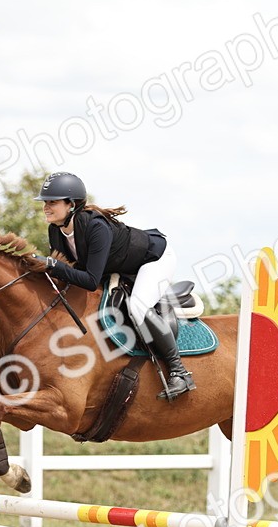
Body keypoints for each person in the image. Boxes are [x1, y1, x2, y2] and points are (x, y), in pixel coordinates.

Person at [23, 171, 194, 400]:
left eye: (52, 202)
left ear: (71, 204)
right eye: (45, 202)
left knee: (138, 307)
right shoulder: (56, 231)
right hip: (122, 266)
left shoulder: (95, 227)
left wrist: (52, 264)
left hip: (155, 259)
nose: (46, 207)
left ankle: (179, 372)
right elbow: (69, 276)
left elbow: (90, 280)